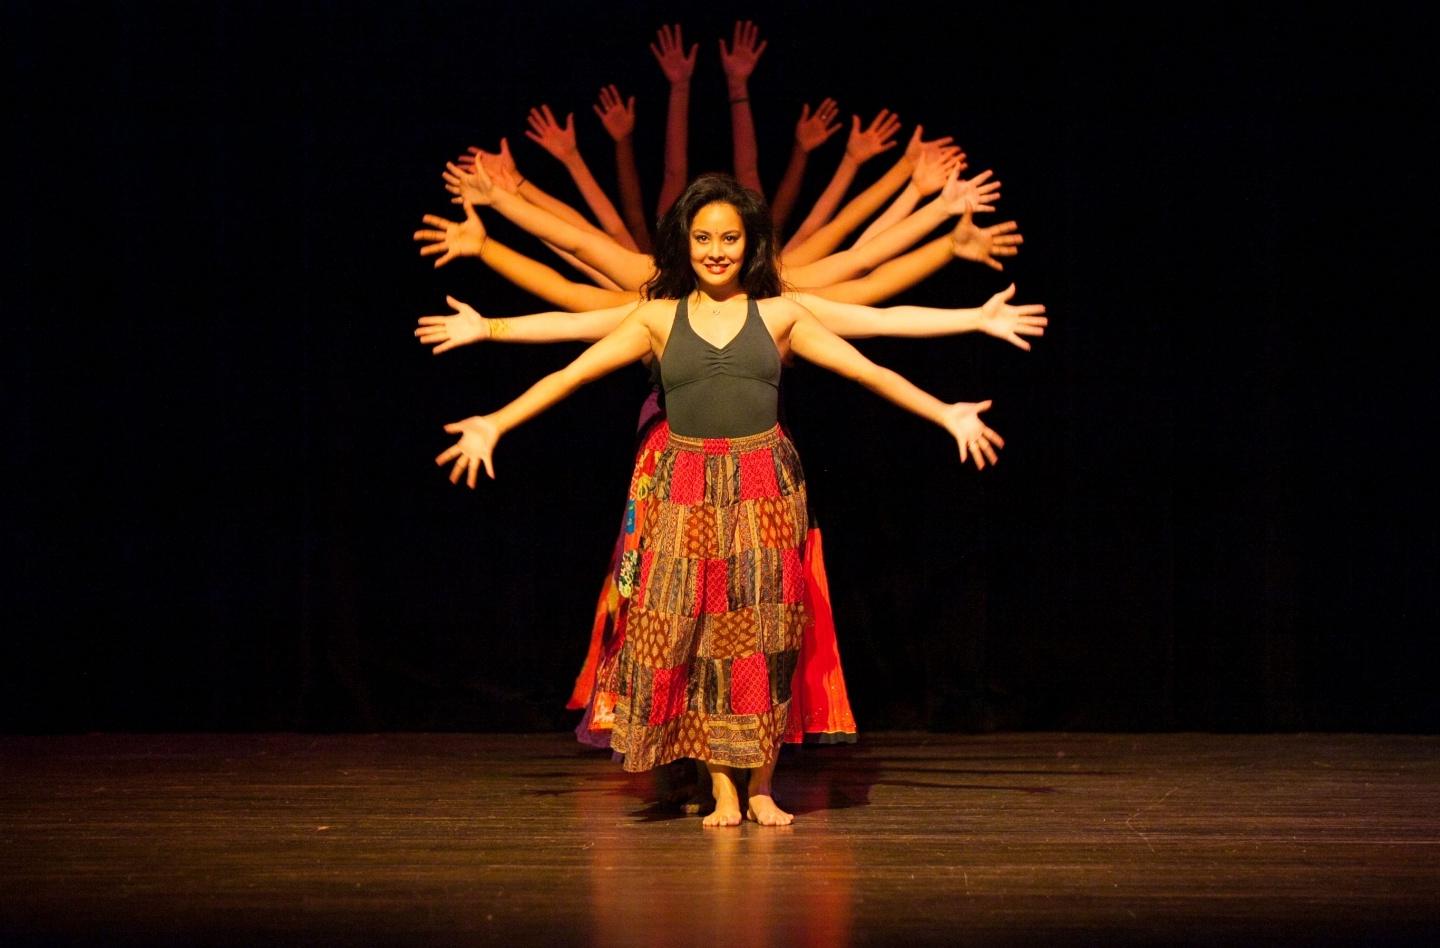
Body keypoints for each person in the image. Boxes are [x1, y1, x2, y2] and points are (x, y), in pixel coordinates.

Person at [431, 174, 1023, 827]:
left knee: (762, 639)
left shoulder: (781, 315)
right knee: (699, 638)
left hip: (764, 482)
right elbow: (573, 355)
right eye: (704, 236)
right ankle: (722, 791)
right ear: (684, 242)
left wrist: (962, 364)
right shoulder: (657, 317)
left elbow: (873, 342)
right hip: (684, 488)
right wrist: (493, 393)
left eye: (730, 238)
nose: (716, 249)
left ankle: (762, 787)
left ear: (751, 245)